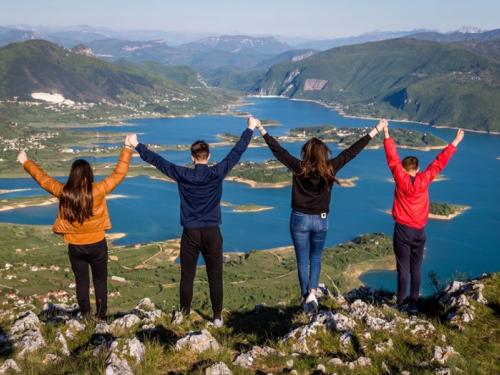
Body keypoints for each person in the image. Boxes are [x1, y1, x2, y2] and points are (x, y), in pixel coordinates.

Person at [126, 117, 258, 327]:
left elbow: (158, 161)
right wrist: (250, 128)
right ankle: (217, 317)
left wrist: (136, 144)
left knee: (187, 276)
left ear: (192, 157)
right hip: (212, 233)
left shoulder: (183, 174)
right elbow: (237, 152)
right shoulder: (217, 173)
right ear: (208, 156)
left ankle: (184, 314)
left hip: (190, 233)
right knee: (215, 276)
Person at [256, 120, 387, 313]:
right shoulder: (330, 168)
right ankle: (313, 293)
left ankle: (305, 297)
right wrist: (375, 130)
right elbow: (351, 152)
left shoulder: (299, 167)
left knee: (302, 259)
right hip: (321, 219)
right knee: (315, 257)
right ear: (324, 153)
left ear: (306, 153)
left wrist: (261, 128)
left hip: (299, 218)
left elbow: (278, 151)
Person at [17, 137, 132, 320]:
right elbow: (119, 173)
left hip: (75, 246)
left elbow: (43, 179)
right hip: (97, 244)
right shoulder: (98, 190)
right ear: (88, 175)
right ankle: (101, 317)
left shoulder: (64, 192)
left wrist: (25, 161)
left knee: (82, 282)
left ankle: (85, 317)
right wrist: (126, 147)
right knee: (100, 281)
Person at [383, 122, 464, 313]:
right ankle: (414, 303)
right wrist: (455, 142)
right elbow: (439, 162)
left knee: (402, 268)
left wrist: (386, 132)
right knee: (416, 268)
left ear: (403, 169)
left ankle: (401, 303)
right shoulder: (424, 178)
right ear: (417, 169)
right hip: (419, 231)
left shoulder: (399, 177)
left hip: (402, 230)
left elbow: (392, 157)